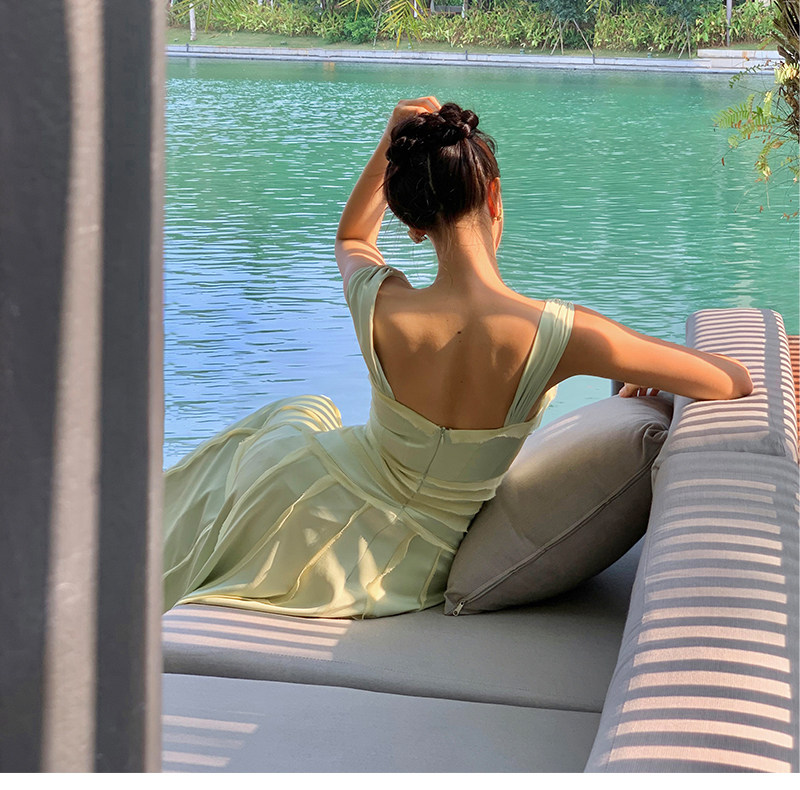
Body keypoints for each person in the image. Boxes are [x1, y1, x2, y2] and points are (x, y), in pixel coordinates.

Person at [163, 96, 753, 618]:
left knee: (300, 413)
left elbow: (352, 239)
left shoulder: (382, 306)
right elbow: (731, 380)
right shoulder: (558, 334)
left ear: (413, 226)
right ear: (493, 196)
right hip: (400, 565)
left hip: (302, 498)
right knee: (306, 412)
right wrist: (639, 374)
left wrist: (389, 139)